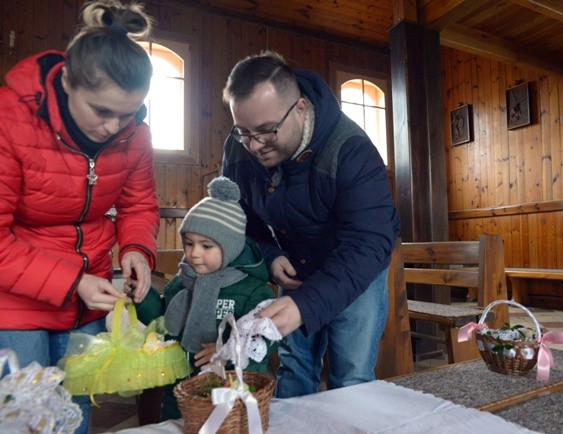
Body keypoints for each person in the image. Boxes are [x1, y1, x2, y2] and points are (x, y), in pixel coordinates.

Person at [0, 1, 159, 432]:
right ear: (67, 80)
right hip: (14, 304)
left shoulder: (134, 133)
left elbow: (138, 205)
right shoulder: (9, 120)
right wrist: (73, 281)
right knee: (26, 420)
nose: (113, 127)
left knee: (75, 415)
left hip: (86, 301)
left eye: (127, 113)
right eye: (102, 111)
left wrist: (137, 248)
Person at [221, 50, 400, 398]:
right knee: (294, 367)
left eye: (267, 131)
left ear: (300, 109)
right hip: (296, 264)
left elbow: (369, 243)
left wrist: (306, 305)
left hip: (355, 269)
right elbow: (241, 219)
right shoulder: (240, 148)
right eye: (243, 132)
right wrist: (270, 254)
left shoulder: (351, 151)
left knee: (350, 377)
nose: (254, 145)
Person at [136, 176, 278, 420]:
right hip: (180, 390)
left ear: (230, 247)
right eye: (189, 243)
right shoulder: (181, 282)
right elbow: (162, 317)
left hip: (229, 395)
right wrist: (140, 297)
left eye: (206, 246)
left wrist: (229, 349)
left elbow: (267, 336)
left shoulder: (252, 290)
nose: (194, 254)